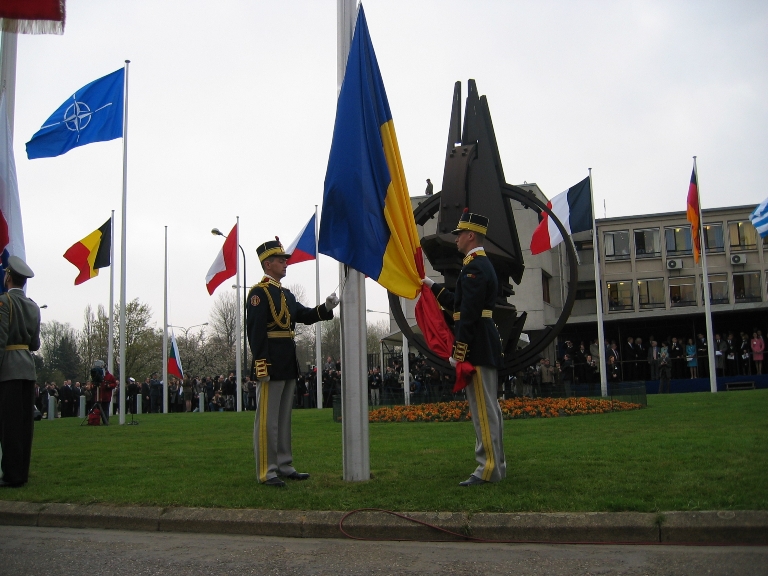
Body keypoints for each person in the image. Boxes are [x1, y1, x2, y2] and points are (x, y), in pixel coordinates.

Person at [422, 209, 506, 486]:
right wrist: (433, 287)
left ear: (471, 236)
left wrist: (459, 352)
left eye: (459, 235)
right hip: (482, 342)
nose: (456, 239)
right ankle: (494, 466)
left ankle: (488, 468)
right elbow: (461, 301)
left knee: (484, 411)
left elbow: (467, 315)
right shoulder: (479, 265)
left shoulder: (474, 268)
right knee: (488, 409)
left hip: (477, 345)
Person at [247, 238, 338, 487]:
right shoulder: (258, 293)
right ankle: (267, 470)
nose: (285, 264)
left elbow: (305, 315)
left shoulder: (286, 294)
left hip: (287, 360)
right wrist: (261, 365)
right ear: (267, 265)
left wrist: (326, 308)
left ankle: (284, 465)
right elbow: (255, 332)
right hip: (271, 362)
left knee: (283, 418)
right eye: (280, 260)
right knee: (267, 419)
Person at [0, 256, 41, 488]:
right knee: (25, 425)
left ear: (7, 276)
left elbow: (0, 340)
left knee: (9, 425)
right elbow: (35, 343)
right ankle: (21, 472)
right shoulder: (33, 306)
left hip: (8, 369)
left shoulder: (4, 303)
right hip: (27, 368)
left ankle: (12, 474)